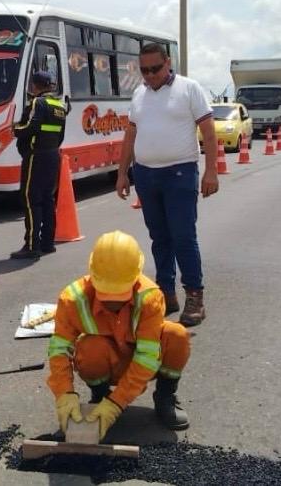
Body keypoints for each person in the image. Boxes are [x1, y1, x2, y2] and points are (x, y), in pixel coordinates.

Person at [47, 230, 191, 439]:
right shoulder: (73, 299)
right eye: (106, 295)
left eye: (120, 294)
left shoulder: (150, 297)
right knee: (90, 346)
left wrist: (117, 403)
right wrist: (64, 394)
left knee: (176, 334)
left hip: (142, 366)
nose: (113, 302)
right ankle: (99, 396)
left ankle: (165, 396)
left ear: (135, 278)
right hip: (107, 362)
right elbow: (59, 349)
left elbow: (148, 356)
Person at [115, 43, 217, 326]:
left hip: (180, 173)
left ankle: (195, 297)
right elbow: (131, 134)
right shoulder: (139, 94)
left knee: (183, 237)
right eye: (144, 70)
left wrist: (211, 171)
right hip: (146, 175)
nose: (149, 75)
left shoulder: (189, 89)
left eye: (155, 69)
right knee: (159, 238)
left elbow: (208, 131)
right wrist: (123, 173)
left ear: (168, 62)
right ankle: (165, 293)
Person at [10, 70, 67, 260]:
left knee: (31, 199)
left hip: (37, 157)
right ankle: (47, 243)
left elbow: (30, 127)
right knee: (48, 199)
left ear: (35, 85)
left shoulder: (38, 102)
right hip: (53, 155)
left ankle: (32, 245)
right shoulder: (58, 105)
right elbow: (60, 136)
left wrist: (14, 129)